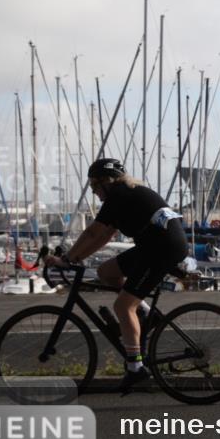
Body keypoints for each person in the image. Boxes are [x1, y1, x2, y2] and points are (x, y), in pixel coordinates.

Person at [45, 159, 187, 394]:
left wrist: (67, 260)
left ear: (106, 182)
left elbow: (93, 232)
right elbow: (104, 236)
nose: (94, 193)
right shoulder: (124, 195)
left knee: (122, 306)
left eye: (94, 186)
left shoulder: (118, 196)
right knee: (105, 272)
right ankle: (144, 313)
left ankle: (135, 367)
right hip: (155, 246)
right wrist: (74, 258)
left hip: (162, 249)